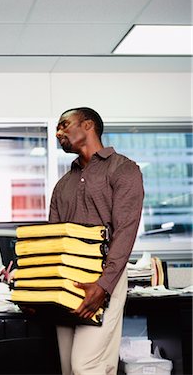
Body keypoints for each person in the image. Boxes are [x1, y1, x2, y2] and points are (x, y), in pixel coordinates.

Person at [49, 107, 144, 375]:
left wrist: (104, 285)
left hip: (104, 275)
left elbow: (126, 231)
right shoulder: (63, 184)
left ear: (88, 125)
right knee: (68, 367)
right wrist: (39, 289)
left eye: (64, 125)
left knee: (87, 366)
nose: (58, 132)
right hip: (66, 279)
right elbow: (53, 241)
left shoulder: (124, 170)